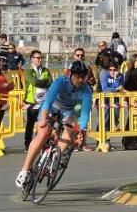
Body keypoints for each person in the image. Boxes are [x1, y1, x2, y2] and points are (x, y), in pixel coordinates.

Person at [15, 61, 92, 189]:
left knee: (73, 127)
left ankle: (55, 157)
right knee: (43, 133)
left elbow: (84, 113)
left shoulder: (86, 90)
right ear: (71, 74)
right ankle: (24, 171)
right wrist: (43, 119)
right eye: (77, 76)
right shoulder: (61, 82)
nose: (80, 79)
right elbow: (48, 101)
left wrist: (82, 131)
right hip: (52, 107)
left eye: (83, 77)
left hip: (67, 111)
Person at [23, 51, 53, 150]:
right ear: (32, 59)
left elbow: (50, 82)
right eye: (37, 58)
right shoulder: (28, 71)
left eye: (41, 58)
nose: (40, 59)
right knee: (30, 123)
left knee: (44, 122)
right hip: (32, 101)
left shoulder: (45, 70)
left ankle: (43, 142)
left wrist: (42, 82)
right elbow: (33, 82)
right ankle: (28, 144)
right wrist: (43, 82)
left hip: (44, 101)